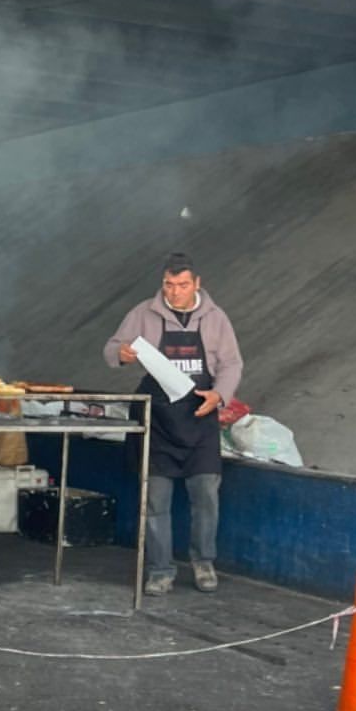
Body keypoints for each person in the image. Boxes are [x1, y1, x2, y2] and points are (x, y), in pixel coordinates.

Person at [104, 252, 243, 595]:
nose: (174, 292)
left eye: (182, 285)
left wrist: (219, 395)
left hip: (199, 417)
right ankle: (160, 569)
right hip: (159, 418)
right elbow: (110, 350)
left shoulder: (215, 318)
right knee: (155, 500)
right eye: (169, 285)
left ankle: (203, 562)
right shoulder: (144, 313)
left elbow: (232, 364)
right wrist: (121, 354)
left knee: (206, 494)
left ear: (197, 284)